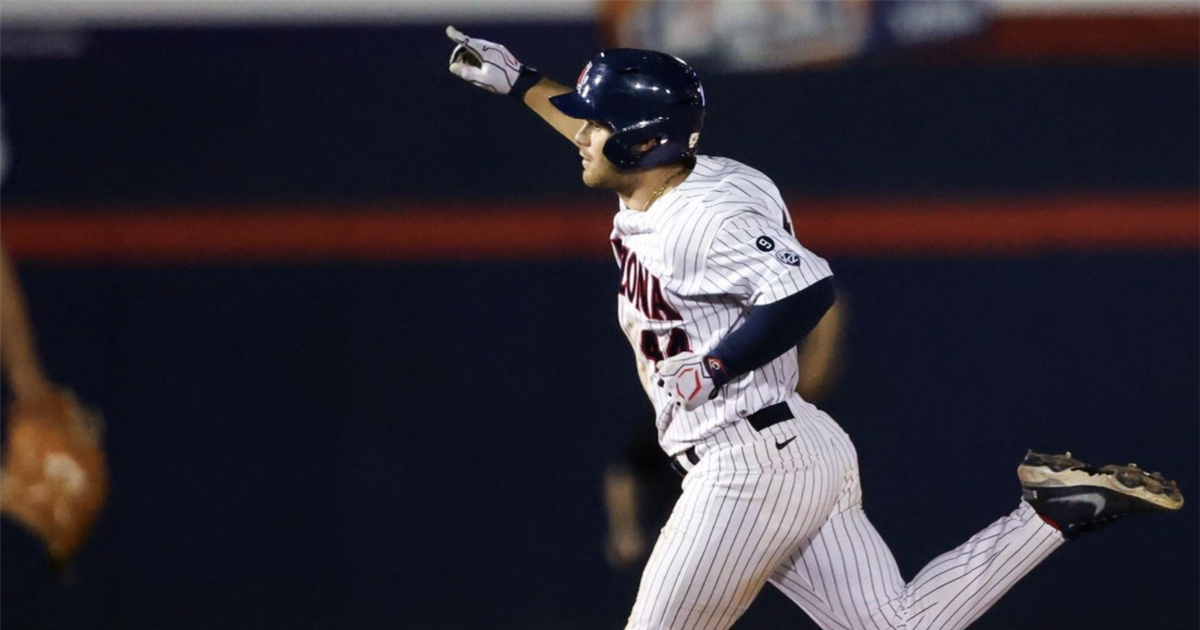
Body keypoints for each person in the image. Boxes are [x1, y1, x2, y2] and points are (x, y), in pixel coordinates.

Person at [445, 27, 1184, 630]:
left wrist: (714, 367)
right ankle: (1052, 515)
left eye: (598, 124)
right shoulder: (694, 176)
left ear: (640, 144)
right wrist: (518, 82)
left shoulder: (699, 219)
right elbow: (603, 132)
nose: (583, 133)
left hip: (746, 465)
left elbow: (807, 289)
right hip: (794, 445)